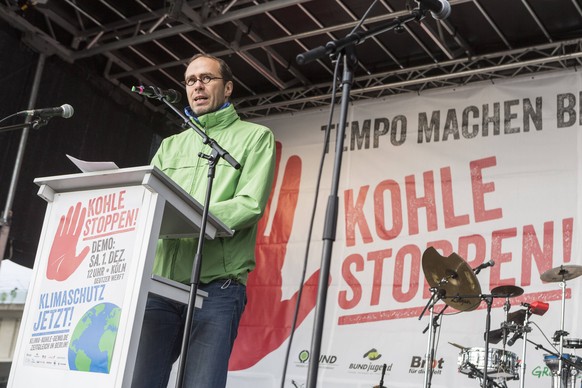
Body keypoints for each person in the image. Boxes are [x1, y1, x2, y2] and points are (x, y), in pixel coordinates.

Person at [131, 53, 276, 388]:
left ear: (227, 88)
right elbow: (149, 199)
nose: (196, 85)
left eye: (206, 78)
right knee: (139, 380)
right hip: (162, 285)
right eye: (190, 81)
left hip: (218, 287)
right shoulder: (170, 146)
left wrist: (189, 216)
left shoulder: (255, 137)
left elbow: (249, 205)